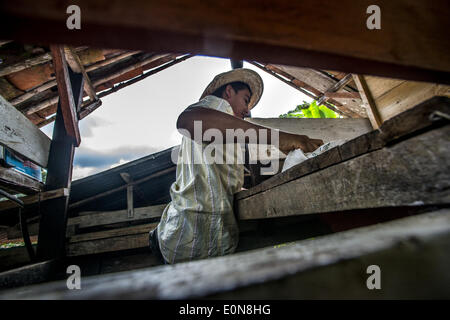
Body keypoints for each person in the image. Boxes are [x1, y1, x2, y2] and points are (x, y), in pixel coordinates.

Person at [149, 68, 323, 264]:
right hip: (188, 238)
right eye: (246, 99)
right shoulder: (216, 107)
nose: (247, 110)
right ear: (229, 92)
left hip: (199, 238)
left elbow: (216, 180)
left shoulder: (228, 134)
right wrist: (278, 138)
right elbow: (186, 120)